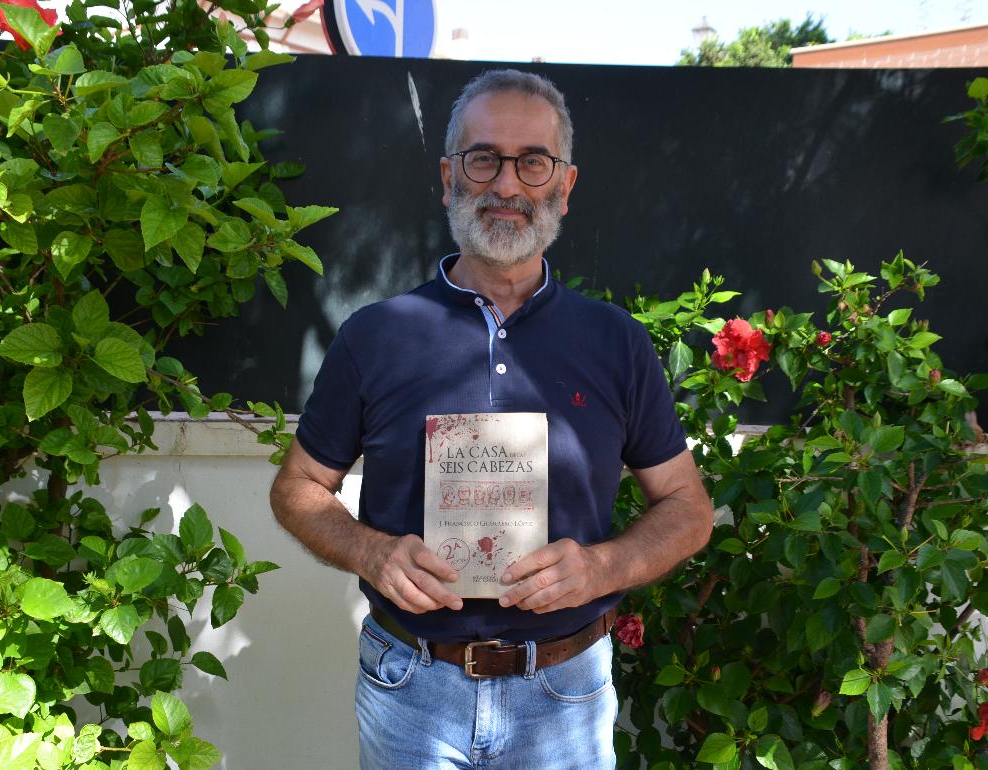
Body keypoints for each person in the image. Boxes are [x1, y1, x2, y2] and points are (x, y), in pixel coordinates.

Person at [269, 68, 713, 770]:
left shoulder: (616, 342)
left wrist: (605, 566)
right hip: (410, 686)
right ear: (449, 177)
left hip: (565, 693)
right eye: (484, 159)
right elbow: (296, 488)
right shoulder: (376, 335)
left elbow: (688, 509)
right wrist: (369, 551)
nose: (507, 185)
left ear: (564, 186)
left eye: (533, 162)